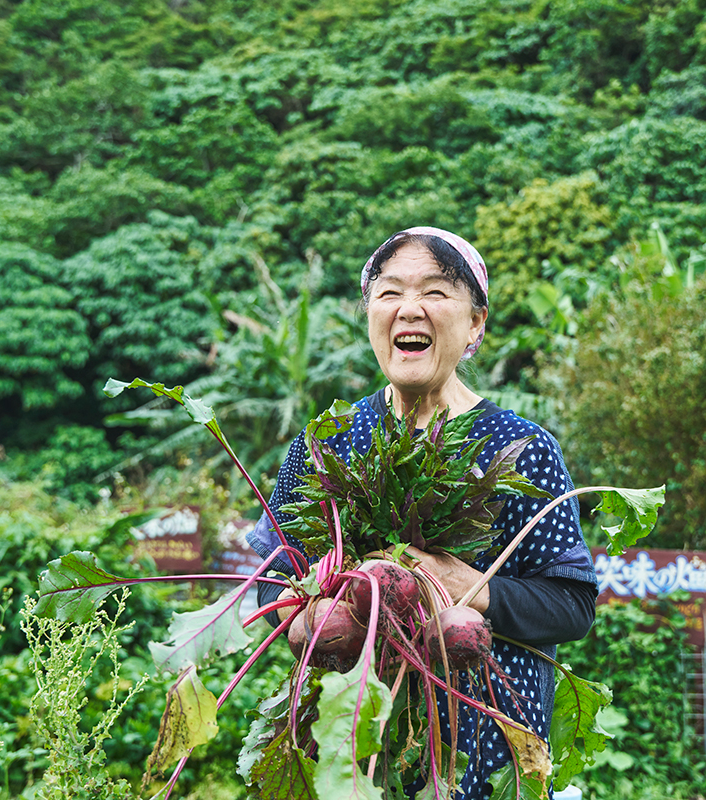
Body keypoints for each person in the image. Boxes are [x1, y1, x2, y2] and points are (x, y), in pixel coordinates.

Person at [248, 226, 598, 799]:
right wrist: (307, 617)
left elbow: (573, 605)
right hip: (350, 755)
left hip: (488, 759)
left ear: (476, 325)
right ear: (370, 317)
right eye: (390, 294)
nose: (410, 309)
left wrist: (476, 590)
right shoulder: (327, 439)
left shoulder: (523, 448)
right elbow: (270, 581)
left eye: (435, 293)